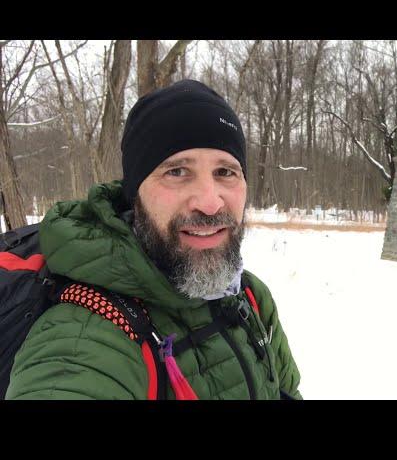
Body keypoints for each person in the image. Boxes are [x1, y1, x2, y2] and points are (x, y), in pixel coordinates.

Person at [5, 79, 302, 400]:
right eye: (177, 171)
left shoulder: (250, 297)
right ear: (135, 195)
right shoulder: (82, 341)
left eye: (225, 172)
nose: (209, 201)